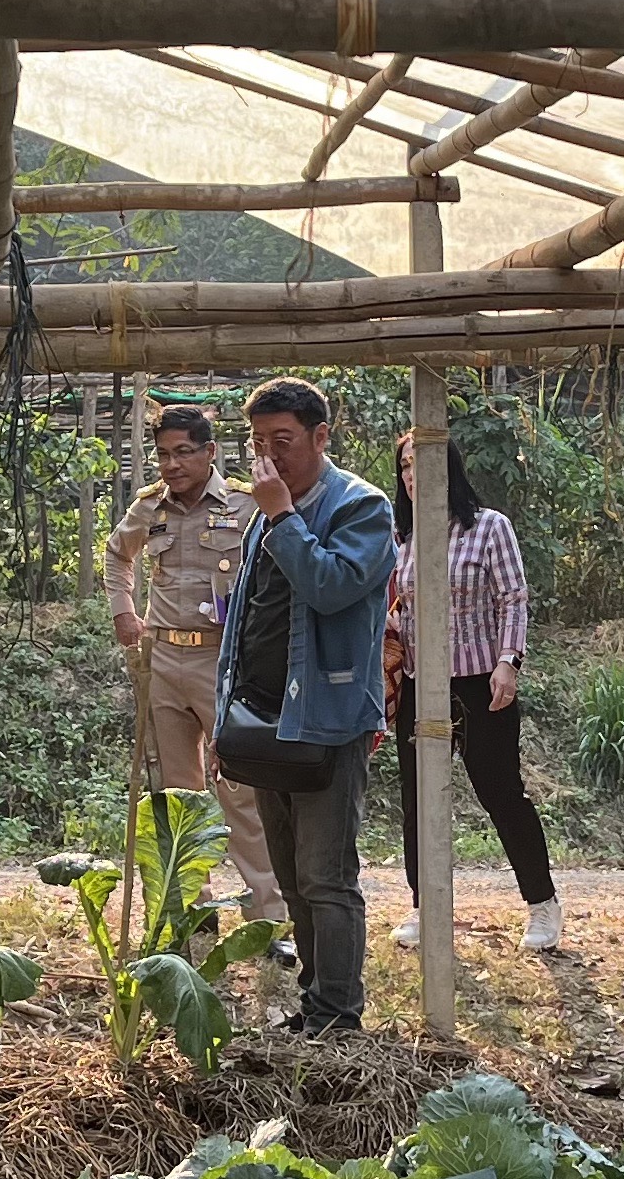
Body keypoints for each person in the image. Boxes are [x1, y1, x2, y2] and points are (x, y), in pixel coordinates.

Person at [217, 377, 395, 1036]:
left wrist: (284, 518)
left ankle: (338, 1014)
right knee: (291, 876)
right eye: (257, 442)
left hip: (328, 719)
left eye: (282, 442)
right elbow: (242, 624)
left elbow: (330, 587)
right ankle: (314, 1004)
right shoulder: (264, 512)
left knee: (326, 875)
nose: (268, 457)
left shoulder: (362, 508)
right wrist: (223, 714)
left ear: (322, 437)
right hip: (265, 718)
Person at [103, 404, 283, 924]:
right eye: (163, 455)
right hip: (162, 660)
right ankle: (191, 908)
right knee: (175, 792)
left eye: (184, 452)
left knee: (243, 792)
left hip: (224, 661)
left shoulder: (247, 505)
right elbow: (118, 556)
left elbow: (277, 571)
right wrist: (124, 614)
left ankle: (268, 916)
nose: (172, 464)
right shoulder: (149, 507)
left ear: (210, 453)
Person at [388, 432, 561, 953]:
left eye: (424, 464)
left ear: (451, 468)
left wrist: (509, 663)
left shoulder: (489, 527)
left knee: (499, 791)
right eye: (405, 467)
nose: (414, 475)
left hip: (481, 681)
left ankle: (542, 904)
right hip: (422, 683)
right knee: (418, 798)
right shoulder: (405, 536)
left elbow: (513, 598)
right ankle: (426, 907)